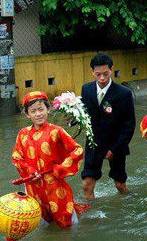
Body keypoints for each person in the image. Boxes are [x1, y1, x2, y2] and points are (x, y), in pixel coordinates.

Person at [12, 91, 84, 228]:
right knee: (39, 224)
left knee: (67, 223)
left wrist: (60, 170)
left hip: (55, 184)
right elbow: (17, 157)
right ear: (27, 114)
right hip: (33, 187)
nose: (38, 114)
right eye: (33, 111)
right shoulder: (23, 134)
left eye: (41, 109)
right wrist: (30, 171)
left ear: (48, 109)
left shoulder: (57, 131)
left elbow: (77, 150)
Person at [81, 54, 135, 199]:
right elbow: (84, 115)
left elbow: (129, 126)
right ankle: (90, 216)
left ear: (111, 70)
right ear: (92, 71)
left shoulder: (124, 94)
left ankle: (130, 203)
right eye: (98, 74)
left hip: (116, 143)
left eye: (105, 73)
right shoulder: (86, 90)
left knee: (119, 184)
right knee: (87, 184)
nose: (102, 78)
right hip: (94, 143)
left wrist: (115, 149)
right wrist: (73, 118)